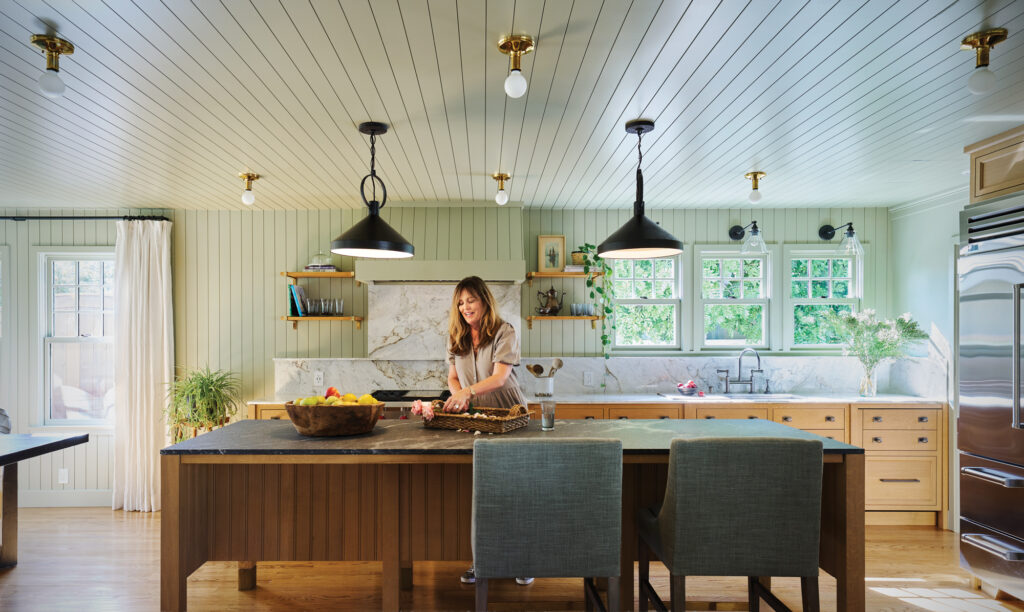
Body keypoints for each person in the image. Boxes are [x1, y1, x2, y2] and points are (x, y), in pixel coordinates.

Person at [442, 276, 532, 586]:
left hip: (510, 419)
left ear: (484, 301)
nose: (465, 306)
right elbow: (453, 377)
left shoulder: (504, 331)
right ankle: (480, 561)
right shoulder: (457, 335)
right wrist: (457, 394)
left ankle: (522, 560)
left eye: (471, 300)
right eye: (461, 301)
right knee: (481, 494)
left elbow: (500, 378)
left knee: (515, 493)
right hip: (478, 420)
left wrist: (466, 394)